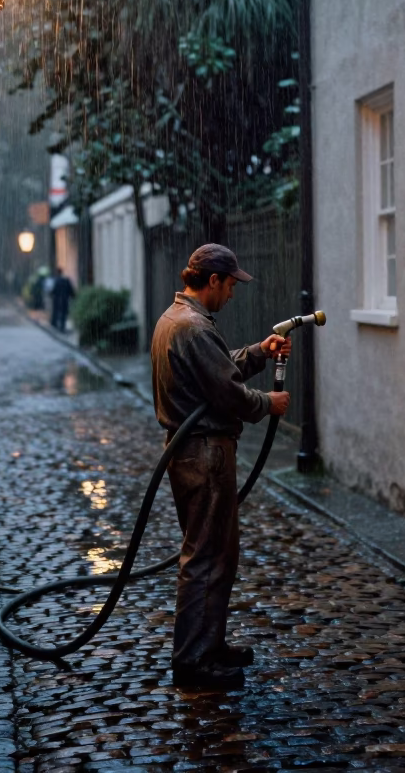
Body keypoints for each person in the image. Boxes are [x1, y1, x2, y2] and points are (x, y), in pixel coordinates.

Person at [151, 243, 291, 689]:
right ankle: (194, 662)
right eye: (230, 285)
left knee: (216, 553)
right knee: (207, 556)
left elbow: (216, 373)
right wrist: (269, 402)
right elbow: (228, 395)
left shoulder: (176, 321)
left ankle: (209, 645)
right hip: (204, 453)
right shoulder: (193, 328)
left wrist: (257, 353)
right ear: (212, 281)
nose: (232, 294)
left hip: (192, 450)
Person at [50, 267, 75, 332]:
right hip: (64, 300)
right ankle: (62, 326)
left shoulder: (56, 280)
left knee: (57, 312)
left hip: (57, 300)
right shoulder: (66, 280)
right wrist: (73, 296)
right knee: (63, 313)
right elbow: (71, 290)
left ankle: (56, 325)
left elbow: (53, 290)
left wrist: (51, 294)